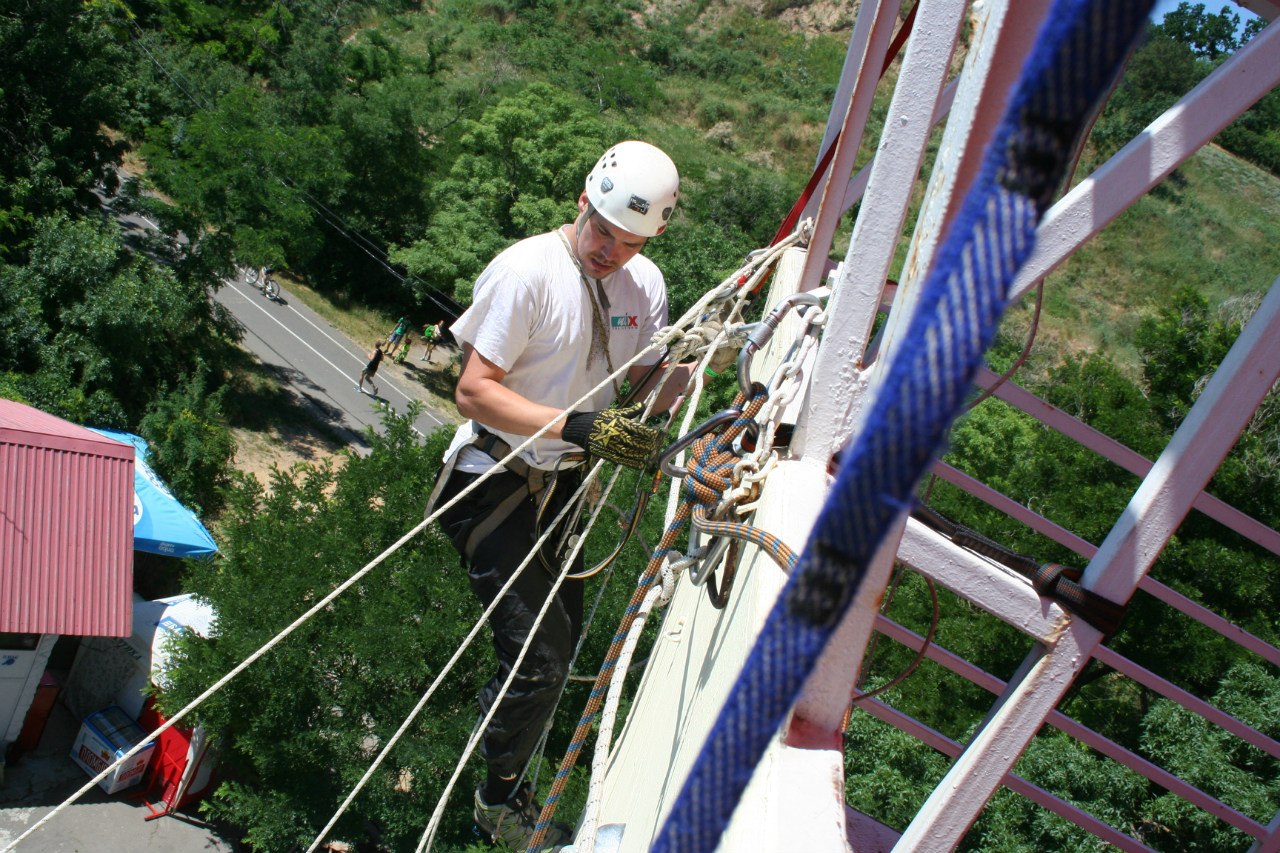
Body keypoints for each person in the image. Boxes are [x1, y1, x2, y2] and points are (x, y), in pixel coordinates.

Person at [426, 141, 690, 851]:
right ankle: (498, 799)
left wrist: (695, 369)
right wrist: (579, 426)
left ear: (649, 238)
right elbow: (474, 389)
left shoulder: (645, 288)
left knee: (562, 648)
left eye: (628, 242)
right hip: (493, 478)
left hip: (564, 480)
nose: (608, 250)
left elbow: (642, 385)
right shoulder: (528, 271)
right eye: (601, 229)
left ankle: (506, 755)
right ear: (582, 202)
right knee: (538, 658)